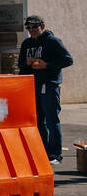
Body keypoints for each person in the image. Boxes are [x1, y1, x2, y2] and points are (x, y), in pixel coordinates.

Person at [18, 15, 74, 164]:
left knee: (51, 120)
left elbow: (68, 59)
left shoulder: (52, 41)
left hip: (49, 85)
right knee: (38, 121)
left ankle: (55, 154)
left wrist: (46, 65)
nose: (32, 30)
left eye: (34, 27)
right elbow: (20, 65)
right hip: (33, 86)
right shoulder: (27, 43)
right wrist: (27, 63)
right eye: (28, 28)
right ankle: (43, 151)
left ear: (42, 26)